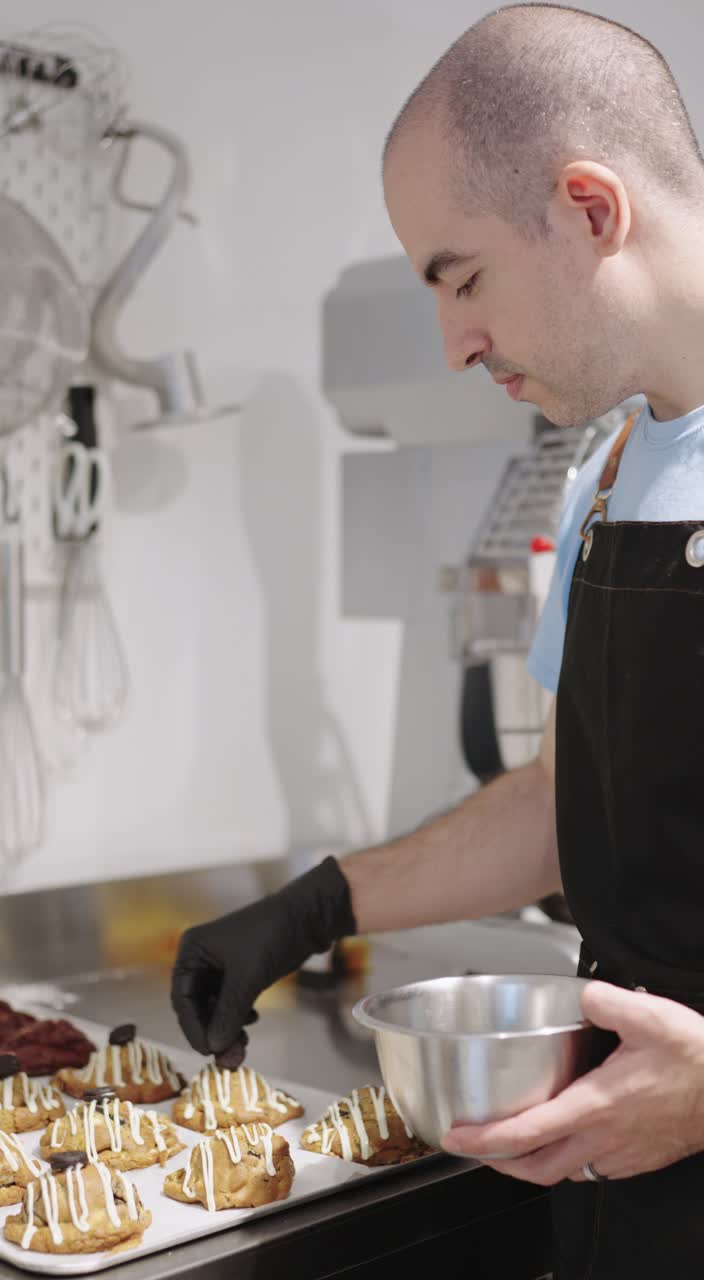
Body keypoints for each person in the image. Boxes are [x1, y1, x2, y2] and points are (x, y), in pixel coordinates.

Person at [172, 5, 704, 1276]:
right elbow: (567, 803)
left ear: (590, 207)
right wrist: (316, 904)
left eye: (462, 279)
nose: (455, 342)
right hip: (621, 1200)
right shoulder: (610, 477)